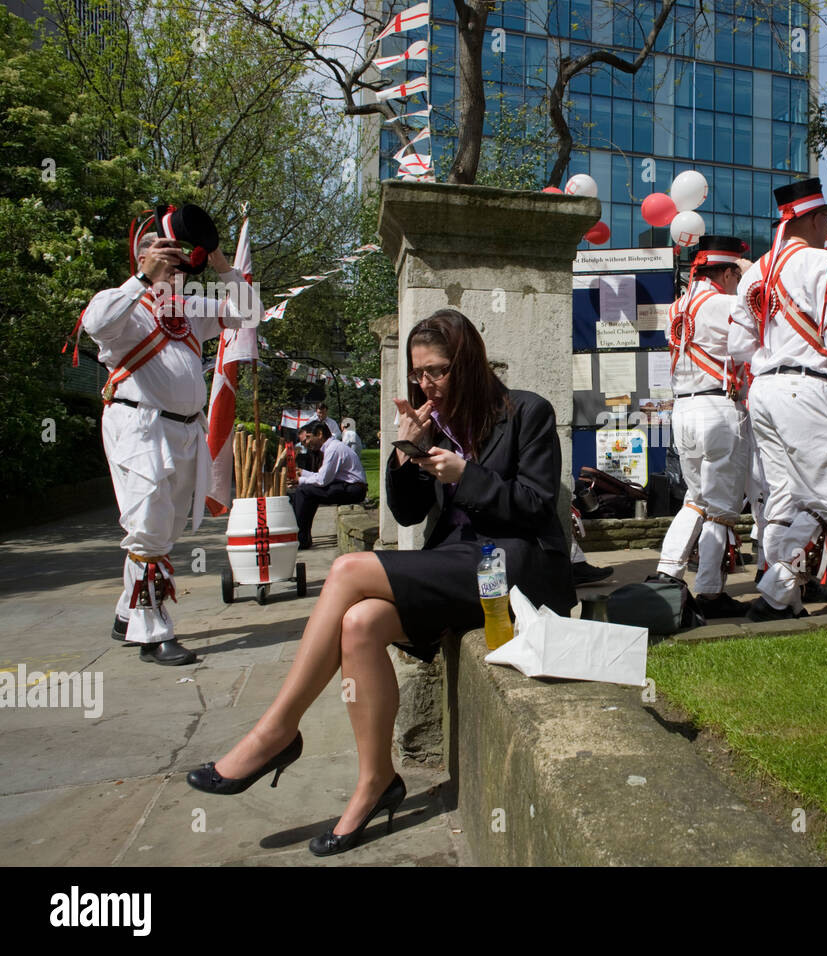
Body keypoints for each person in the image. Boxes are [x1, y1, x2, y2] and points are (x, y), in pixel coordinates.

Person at [186, 309, 575, 856]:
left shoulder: (527, 411)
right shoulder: (433, 421)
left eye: (437, 371)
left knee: (347, 568)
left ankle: (276, 731)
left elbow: (536, 507)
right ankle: (376, 781)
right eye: (418, 374)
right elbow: (411, 514)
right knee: (360, 621)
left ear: (468, 362)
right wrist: (404, 451)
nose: (426, 384)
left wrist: (468, 476)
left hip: (517, 566)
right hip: (459, 565)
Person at [79, 203, 263, 664]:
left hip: (185, 433)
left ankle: (127, 611)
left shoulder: (188, 311)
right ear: (142, 257)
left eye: (178, 256)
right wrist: (143, 279)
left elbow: (249, 314)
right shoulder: (121, 305)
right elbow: (95, 324)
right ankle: (151, 630)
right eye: (164, 253)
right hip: (138, 426)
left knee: (165, 527)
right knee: (148, 529)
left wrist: (219, 260)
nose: (174, 263)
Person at [730, 178, 827, 621]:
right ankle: (775, 595)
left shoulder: (755, 271)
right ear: (811, 219)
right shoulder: (820, 262)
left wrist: (771, 360)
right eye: (825, 217)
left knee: (785, 497)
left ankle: (784, 598)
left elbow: (737, 346)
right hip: (806, 387)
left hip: (765, 390)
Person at [654, 236, 752, 619]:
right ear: (727, 272)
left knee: (696, 497)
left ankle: (667, 570)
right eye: (736, 274)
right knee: (721, 507)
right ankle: (710, 590)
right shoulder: (726, 304)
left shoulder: (676, 307)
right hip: (717, 407)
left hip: (684, 409)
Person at [289, 421, 368, 549]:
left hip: (353, 489)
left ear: (319, 434)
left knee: (304, 491)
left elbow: (322, 480)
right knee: (307, 492)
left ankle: (301, 538)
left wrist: (300, 480)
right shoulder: (332, 447)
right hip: (348, 487)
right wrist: (302, 473)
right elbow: (322, 476)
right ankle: (303, 537)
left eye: (308, 437)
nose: (308, 443)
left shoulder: (333, 449)